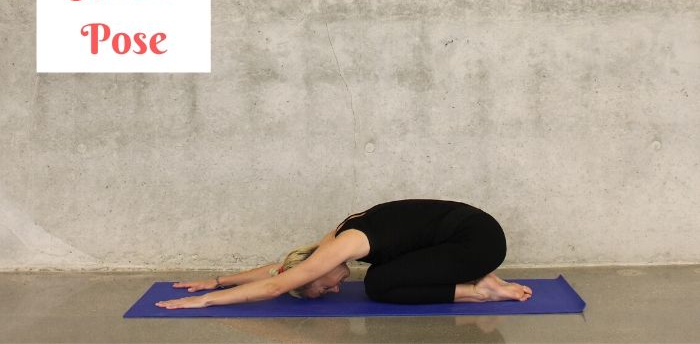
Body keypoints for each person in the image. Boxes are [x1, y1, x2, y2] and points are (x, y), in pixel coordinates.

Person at [155, 199, 532, 309]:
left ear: (316, 271)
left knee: (380, 284)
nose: (334, 290)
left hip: (477, 243)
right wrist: (220, 280)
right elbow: (282, 271)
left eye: (319, 289)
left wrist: (206, 302)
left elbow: (277, 286)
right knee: (386, 270)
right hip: (470, 232)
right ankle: (476, 279)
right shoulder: (332, 242)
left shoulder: (345, 245)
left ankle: (480, 289)